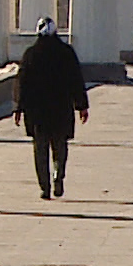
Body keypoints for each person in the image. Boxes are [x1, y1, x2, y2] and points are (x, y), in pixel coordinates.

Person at [14, 16, 90, 200]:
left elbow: (22, 83)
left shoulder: (31, 54)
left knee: (40, 150)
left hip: (38, 112)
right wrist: (82, 106)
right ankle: (58, 175)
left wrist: (18, 108)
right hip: (61, 109)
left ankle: (45, 187)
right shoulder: (66, 53)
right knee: (60, 146)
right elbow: (76, 80)